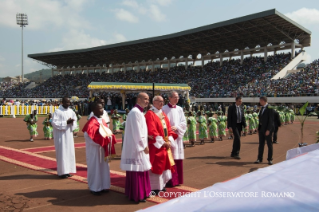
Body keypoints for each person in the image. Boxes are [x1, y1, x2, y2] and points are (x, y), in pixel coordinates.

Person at [120, 92, 152, 203]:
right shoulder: (135, 113)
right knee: (137, 171)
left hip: (138, 145)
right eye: (145, 99)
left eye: (148, 99)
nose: (147, 101)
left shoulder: (138, 112)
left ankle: (142, 192)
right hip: (137, 147)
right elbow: (137, 132)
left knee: (140, 170)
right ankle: (137, 194)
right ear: (138, 100)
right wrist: (144, 145)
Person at [145, 96, 178, 194]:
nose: (162, 104)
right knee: (157, 165)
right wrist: (163, 142)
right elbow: (152, 131)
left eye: (163, 102)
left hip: (165, 146)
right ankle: (154, 187)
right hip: (156, 146)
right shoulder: (150, 114)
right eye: (160, 102)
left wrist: (169, 141)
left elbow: (168, 129)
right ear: (154, 102)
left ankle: (162, 184)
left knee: (164, 165)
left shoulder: (162, 114)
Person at [82, 102, 116, 196]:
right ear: (94, 110)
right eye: (100, 108)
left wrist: (109, 137)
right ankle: (95, 187)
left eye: (102, 108)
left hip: (103, 148)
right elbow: (87, 135)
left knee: (104, 167)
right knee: (95, 167)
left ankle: (104, 185)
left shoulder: (103, 120)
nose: (102, 110)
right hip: (95, 149)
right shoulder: (91, 122)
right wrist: (99, 142)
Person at [162, 91, 187, 187]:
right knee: (169, 157)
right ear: (169, 98)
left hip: (177, 136)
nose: (177, 99)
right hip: (168, 137)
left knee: (177, 158)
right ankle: (169, 181)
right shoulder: (164, 109)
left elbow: (183, 122)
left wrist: (177, 127)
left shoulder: (180, 109)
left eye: (178, 97)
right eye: (175, 97)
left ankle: (178, 180)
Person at [52, 97, 77, 178]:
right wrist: (66, 122)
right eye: (66, 102)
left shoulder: (71, 111)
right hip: (61, 135)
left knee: (69, 152)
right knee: (62, 153)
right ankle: (61, 172)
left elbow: (75, 120)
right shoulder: (57, 111)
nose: (68, 104)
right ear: (62, 102)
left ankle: (67, 171)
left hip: (69, 135)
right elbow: (54, 123)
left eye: (69, 102)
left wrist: (72, 122)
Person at [255, 96, 274, 165]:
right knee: (261, 144)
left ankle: (270, 159)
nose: (259, 102)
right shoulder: (262, 108)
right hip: (261, 129)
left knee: (269, 144)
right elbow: (260, 120)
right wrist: (258, 128)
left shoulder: (270, 108)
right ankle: (259, 158)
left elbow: (271, 120)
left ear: (263, 101)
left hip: (267, 129)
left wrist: (268, 129)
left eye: (260, 101)